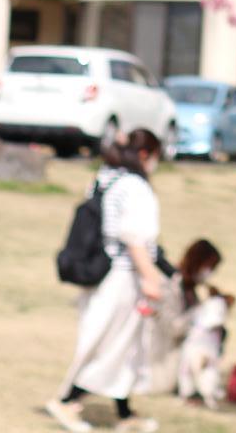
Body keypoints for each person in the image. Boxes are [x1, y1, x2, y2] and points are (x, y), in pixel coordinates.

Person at [45, 128, 164, 433]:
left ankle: (125, 415)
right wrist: (150, 277)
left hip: (104, 274)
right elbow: (134, 238)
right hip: (123, 277)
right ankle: (67, 401)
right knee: (110, 344)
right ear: (144, 154)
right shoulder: (135, 187)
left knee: (123, 346)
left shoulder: (105, 178)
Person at [148, 238, 223, 397]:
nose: (210, 273)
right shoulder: (171, 285)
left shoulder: (191, 289)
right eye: (210, 267)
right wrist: (200, 311)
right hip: (164, 360)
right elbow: (173, 328)